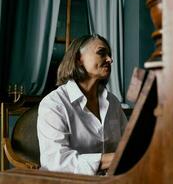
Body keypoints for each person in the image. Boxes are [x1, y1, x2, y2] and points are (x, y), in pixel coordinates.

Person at [37, 34, 128, 175]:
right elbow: (56, 162)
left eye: (109, 55)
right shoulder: (54, 104)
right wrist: (114, 158)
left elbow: (126, 143)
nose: (110, 60)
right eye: (101, 53)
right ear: (79, 59)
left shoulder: (113, 102)